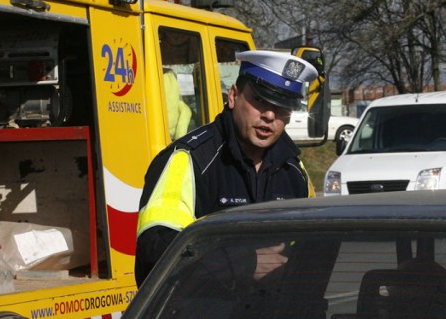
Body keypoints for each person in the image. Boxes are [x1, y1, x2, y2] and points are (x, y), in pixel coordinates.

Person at [135, 50, 319, 286]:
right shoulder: (189, 160)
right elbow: (158, 248)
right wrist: (243, 264)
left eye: (282, 107)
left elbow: (310, 249)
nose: (270, 115)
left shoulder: (294, 169)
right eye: (260, 100)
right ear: (233, 96)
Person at [163, 68, 192, 140]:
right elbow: (186, 112)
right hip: (169, 135)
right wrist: (179, 139)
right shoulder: (171, 78)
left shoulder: (155, 76)